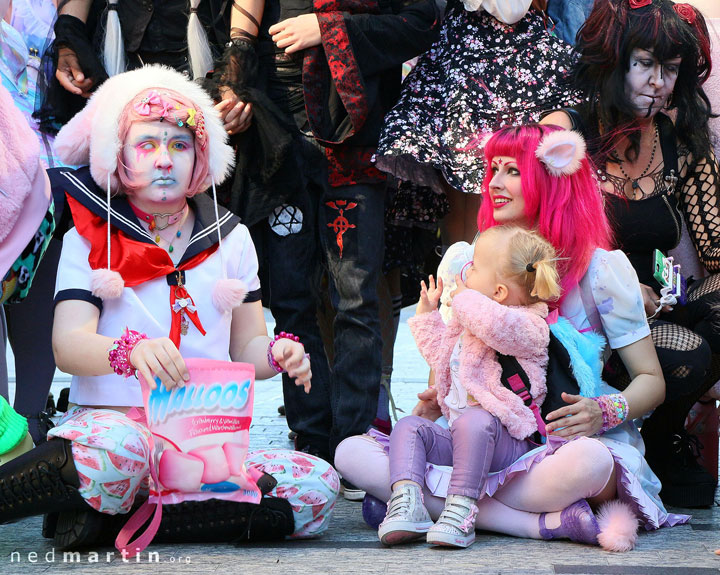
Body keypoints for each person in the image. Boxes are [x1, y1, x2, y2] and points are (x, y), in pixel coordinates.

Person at [0, 65, 339, 549]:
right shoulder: (92, 237)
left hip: (204, 444)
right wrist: (130, 351)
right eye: (147, 145)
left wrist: (280, 354)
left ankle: (110, 521)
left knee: (316, 486)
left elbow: (246, 346)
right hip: (116, 431)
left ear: (202, 158)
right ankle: (121, 502)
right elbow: (68, 345)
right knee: (117, 454)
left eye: (179, 145)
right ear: (117, 155)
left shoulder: (233, 238)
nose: (164, 159)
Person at [336, 124, 686, 551]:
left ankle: (422, 503)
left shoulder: (601, 270)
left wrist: (603, 411)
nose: (494, 183)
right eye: (493, 169)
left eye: (512, 171)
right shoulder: (465, 263)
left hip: (557, 445)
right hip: (474, 445)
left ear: (550, 178)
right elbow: (445, 373)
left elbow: (651, 379)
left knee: (591, 463)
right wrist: (430, 405)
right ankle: (536, 522)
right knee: (351, 452)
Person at [218, 0, 441, 476]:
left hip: (351, 143)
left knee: (356, 295)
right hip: (276, 138)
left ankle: (354, 441)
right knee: (291, 296)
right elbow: (236, 28)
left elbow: (421, 24)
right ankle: (311, 438)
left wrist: (327, 28)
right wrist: (234, 87)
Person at [542, 0, 720, 507]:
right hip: (588, 317)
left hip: (661, 305)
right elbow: (540, 244)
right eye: (645, 64)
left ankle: (662, 439)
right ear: (613, 60)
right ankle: (649, 439)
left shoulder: (675, 136)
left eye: (670, 69)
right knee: (689, 351)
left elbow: (712, 245)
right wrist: (621, 289)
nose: (658, 82)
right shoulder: (566, 130)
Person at [378, 226, 561, 548]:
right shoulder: (470, 321)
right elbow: (442, 358)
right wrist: (427, 316)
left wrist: (462, 298)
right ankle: (408, 502)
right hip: (461, 436)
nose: (465, 273)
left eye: (474, 267)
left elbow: (495, 324)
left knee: (475, 421)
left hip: (510, 443)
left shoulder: (530, 326)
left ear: (500, 292)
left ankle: (461, 509)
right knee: (409, 427)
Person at [374, 0, 581, 245]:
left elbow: (512, 10)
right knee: (456, 181)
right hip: (456, 56)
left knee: (495, 177)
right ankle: (457, 273)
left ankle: (490, 269)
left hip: (511, 62)